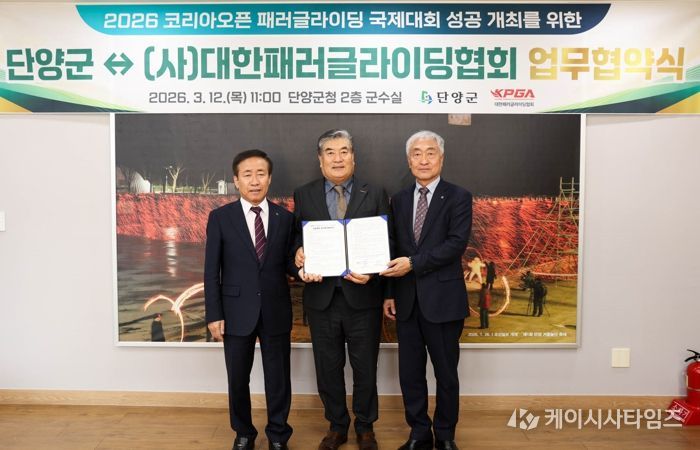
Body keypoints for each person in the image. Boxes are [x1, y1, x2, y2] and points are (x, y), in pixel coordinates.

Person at [293, 129, 390, 450]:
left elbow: (388, 243)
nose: (338, 158)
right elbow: (294, 240)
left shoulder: (376, 192)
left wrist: (373, 273)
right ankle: (337, 425)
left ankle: (365, 426)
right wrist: (298, 256)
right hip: (321, 299)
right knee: (327, 369)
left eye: (344, 151)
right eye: (330, 152)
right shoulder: (304, 194)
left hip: (363, 297)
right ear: (320, 160)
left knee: (365, 367)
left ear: (353, 157)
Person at [382, 130, 472, 450]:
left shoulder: (459, 196)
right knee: (410, 374)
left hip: (444, 301)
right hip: (406, 302)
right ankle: (419, 432)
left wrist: (413, 263)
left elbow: (455, 245)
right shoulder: (399, 200)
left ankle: (445, 435)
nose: (423, 159)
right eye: (417, 154)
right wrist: (389, 292)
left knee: (446, 374)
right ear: (409, 161)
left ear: (441, 158)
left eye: (430, 153)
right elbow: (393, 248)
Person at [204, 149, 297, 450]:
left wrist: (302, 267)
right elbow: (211, 271)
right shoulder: (220, 218)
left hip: (275, 308)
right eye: (247, 175)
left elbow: (289, 263)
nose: (254, 181)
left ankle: (278, 435)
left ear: (269, 178)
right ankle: (243, 433)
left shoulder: (286, 218)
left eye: (260, 174)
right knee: (237, 378)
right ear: (236, 180)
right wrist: (213, 314)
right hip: (235, 311)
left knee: (278, 378)